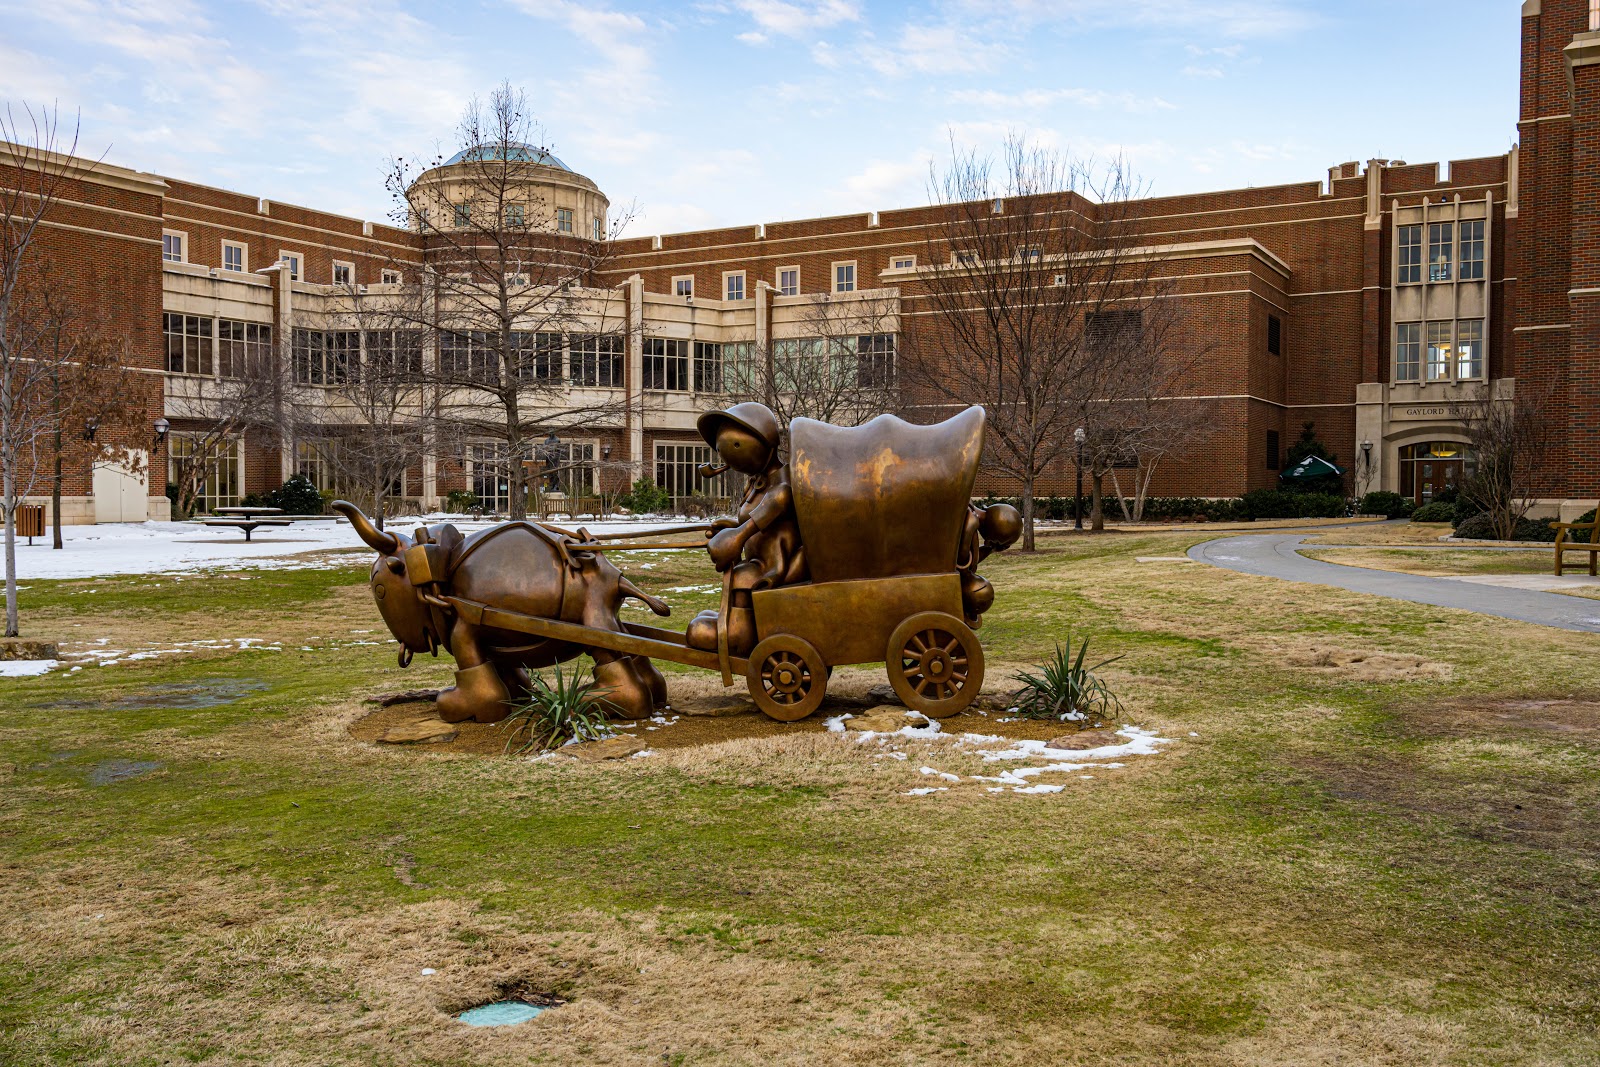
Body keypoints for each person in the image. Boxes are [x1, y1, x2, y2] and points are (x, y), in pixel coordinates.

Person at [685, 402, 807, 656]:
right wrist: (732, 526)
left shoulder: (781, 488)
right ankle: (736, 618)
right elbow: (756, 524)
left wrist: (737, 536)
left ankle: (741, 635)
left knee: (742, 575)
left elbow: (761, 519)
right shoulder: (756, 483)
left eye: (736, 446)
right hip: (759, 558)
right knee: (734, 582)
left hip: (774, 565)